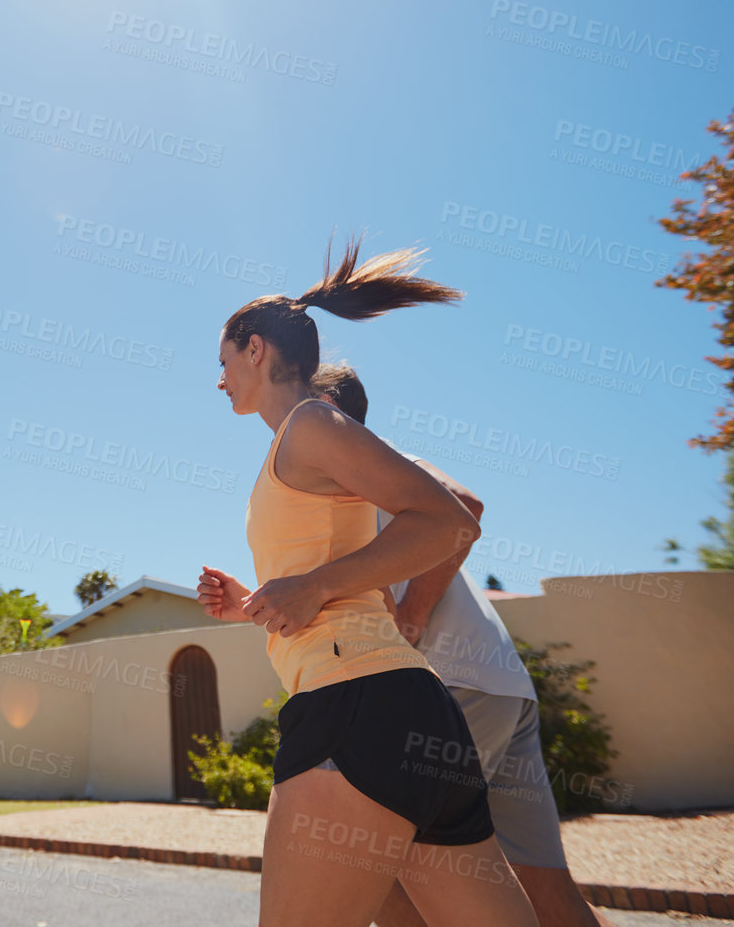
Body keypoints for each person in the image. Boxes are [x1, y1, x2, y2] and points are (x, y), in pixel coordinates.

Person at [197, 238, 539, 927]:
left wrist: (315, 587)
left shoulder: (310, 425)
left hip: (352, 711)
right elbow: (342, 586)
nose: (219, 379)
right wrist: (252, 605)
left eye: (224, 361)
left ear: (255, 349)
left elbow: (449, 523)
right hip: (406, 713)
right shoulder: (293, 448)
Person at [310, 363, 616, 927]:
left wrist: (412, 615)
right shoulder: (344, 487)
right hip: (498, 686)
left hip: (450, 689)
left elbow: (466, 507)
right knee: (546, 889)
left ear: (327, 411)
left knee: (375, 873)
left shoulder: (371, 464)